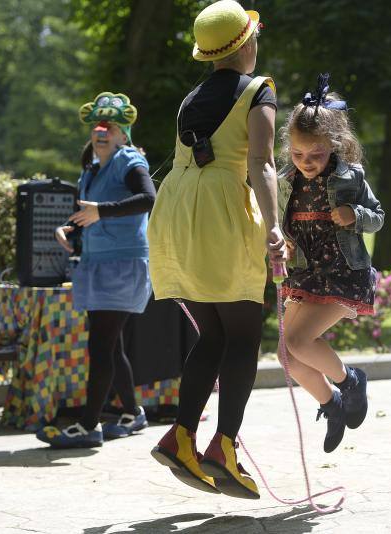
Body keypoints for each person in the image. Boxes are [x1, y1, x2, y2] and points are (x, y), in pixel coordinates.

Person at [147, 0, 285, 499]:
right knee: (245, 334)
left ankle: (181, 436)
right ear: (246, 44)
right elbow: (261, 163)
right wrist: (275, 228)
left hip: (180, 210)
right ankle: (223, 446)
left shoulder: (190, 98)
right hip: (224, 213)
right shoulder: (259, 90)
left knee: (213, 335)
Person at [36, 92, 155, 448]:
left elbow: (147, 199)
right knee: (111, 345)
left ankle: (89, 425)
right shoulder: (91, 169)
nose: (102, 130)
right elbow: (89, 214)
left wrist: (100, 211)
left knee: (101, 345)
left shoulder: (129, 160)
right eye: (97, 126)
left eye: (112, 126)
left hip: (123, 265)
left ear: (123, 135)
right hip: (96, 264)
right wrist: (70, 230)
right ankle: (133, 414)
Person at [277, 74, 384, 454]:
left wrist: (354, 213)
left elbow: (378, 217)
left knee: (298, 341)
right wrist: (283, 241)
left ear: (333, 145)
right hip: (306, 273)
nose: (306, 162)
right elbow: (278, 223)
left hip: (343, 272)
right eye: (297, 154)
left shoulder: (350, 177)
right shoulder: (285, 181)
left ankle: (351, 381)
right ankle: (331, 405)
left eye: (316, 155)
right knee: (287, 355)